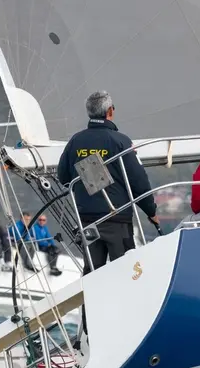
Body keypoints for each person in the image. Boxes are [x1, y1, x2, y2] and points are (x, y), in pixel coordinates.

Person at [57, 90, 159, 271]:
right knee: (126, 271)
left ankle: (91, 301)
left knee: (93, 272)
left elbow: (64, 177)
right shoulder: (120, 141)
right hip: (117, 220)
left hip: (87, 220)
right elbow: (138, 181)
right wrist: (151, 211)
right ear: (110, 111)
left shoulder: (76, 141)